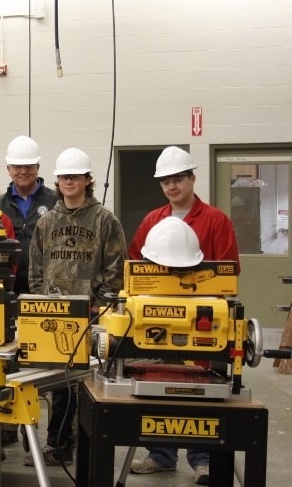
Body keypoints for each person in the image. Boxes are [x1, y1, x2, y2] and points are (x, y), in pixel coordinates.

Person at [128, 146, 240, 486]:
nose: (172, 186)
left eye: (178, 178)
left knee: (200, 389)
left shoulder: (216, 220)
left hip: (201, 320)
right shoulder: (153, 221)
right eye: (166, 181)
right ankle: (160, 455)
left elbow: (229, 271)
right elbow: (135, 266)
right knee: (156, 382)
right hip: (157, 320)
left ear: (192, 178)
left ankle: (202, 459)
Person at [27, 147, 126, 466]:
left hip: (91, 315)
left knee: (91, 386)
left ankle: (90, 448)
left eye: (75, 176)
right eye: (64, 177)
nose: (69, 181)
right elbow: (35, 267)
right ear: (57, 181)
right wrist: (43, 303)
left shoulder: (105, 220)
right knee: (60, 386)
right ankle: (58, 446)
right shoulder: (47, 222)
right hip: (54, 316)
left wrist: (101, 305)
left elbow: (116, 267)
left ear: (87, 180)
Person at [0, 136, 59, 295]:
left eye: (29, 166)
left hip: (47, 289)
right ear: (8, 169)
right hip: (8, 289)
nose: (23, 171)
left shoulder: (56, 202)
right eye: (17, 166)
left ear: (38, 167)